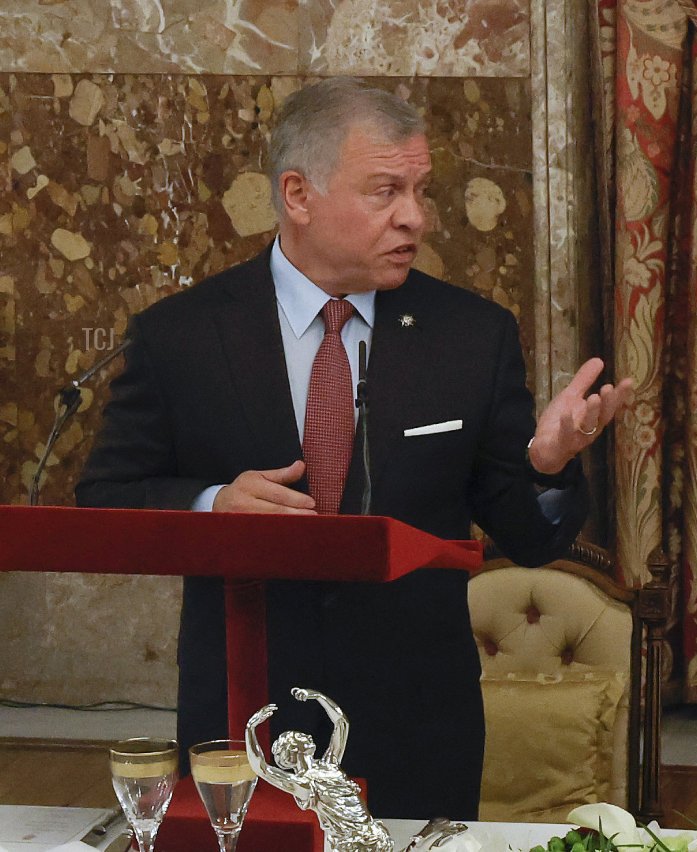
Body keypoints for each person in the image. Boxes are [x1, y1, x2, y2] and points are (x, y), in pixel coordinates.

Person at [76, 77, 631, 818]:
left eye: (421, 191)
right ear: (298, 195)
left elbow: (527, 535)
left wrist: (545, 465)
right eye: (385, 192)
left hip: (417, 722)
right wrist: (212, 505)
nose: (416, 218)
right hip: (244, 716)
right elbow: (106, 498)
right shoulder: (184, 335)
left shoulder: (470, 336)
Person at [247, 688, 394, 852]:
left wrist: (318, 696)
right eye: (299, 736)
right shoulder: (305, 785)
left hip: (374, 835)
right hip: (353, 846)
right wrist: (250, 728)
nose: (309, 736)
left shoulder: (329, 764)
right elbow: (261, 768)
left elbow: (341, 723)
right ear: (292, 750)